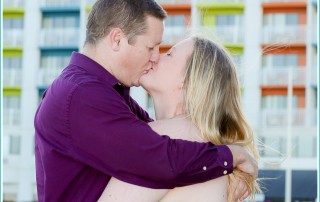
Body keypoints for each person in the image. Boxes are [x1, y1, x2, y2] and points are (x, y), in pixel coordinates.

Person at [34, 0, 257, 201]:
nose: (156, 57)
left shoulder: (110, 95)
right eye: (151, 47)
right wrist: (232, 155)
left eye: (165, 52)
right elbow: (157, 158)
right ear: (117, 40)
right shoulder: (82, 95)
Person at [99, 36, 261, 202]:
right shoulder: (209, 145)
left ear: (188, 79)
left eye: (169, 54)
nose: (155, 57)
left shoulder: (168, 136)